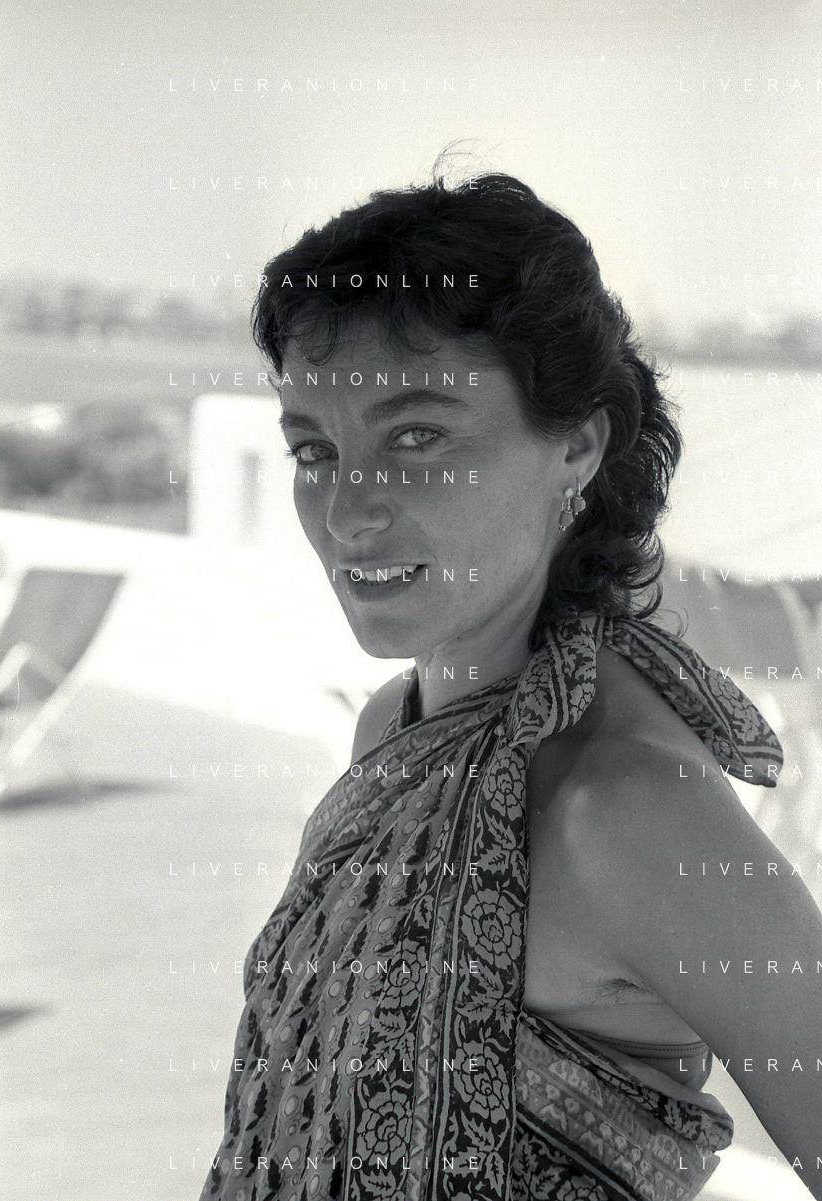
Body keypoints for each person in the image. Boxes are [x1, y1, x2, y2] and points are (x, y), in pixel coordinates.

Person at [200, 168, 822, 1201]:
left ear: (576, 443)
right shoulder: (391, 732)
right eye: (314, 449)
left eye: (417, 436)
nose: (347, 509)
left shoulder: (620, 807)